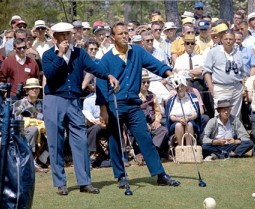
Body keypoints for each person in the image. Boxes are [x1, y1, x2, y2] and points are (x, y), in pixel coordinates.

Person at [96, 21, 180, 188]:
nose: (125, 36)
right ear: (113, 38)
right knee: (115, 140)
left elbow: (156, 65)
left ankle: (160, 174)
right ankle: (121, 176)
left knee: (145, 138)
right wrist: (103, 109)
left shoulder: (138, 52)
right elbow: (100, 85)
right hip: (114, 104)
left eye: (126, 33)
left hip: (134, 105)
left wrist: (171, 74)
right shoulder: (106, 59)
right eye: (120, 34)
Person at [42, 22, 119, 195]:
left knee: (81, 140)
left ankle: (85, 182)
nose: (65, 39)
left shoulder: (79, 53)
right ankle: (60, 183)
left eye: (67, 35)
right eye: (61, 36)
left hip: (74, 100)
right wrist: (60, 55)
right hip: (54, 99)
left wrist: (107, 75)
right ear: (55, 38)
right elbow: (51, 75)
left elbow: (94, 67)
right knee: (55, 142)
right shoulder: (48, 55)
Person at [203, 30, 245, 117]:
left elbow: (242, 71)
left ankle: (233, 131)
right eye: (226, 39)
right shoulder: (213, 52)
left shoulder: (238, 53)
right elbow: (207, 71)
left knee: (235, 115)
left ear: (234, 40)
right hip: (221, 87)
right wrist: (211, 88)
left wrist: (243, 86)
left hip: (236, 88)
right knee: (220, 115)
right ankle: (220, 131)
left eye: (231, 39)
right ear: (221, 40)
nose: (228, 41)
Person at [12, 78, 49, 173]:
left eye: (36, 88)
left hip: (41, 132)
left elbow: (47, 118)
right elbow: (17, 122)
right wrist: (35, 117)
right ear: (27, 90)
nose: (34, 90)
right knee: (33, 129)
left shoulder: (41, 103)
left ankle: (42, 159)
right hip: (23, 133)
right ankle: (31, 161)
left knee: (57, 132)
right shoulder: (19, 104)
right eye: (32, 88)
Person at [165, 74, 202, 146]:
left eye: (182, 86)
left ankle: (189, 148)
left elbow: (195, 113)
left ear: (185, 86)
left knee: (189, 125)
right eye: (178, 87)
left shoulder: (192, 97)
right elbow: (171, 116)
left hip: (190, 120)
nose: (180, 88)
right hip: (176, 122)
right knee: (178, 125)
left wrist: (188, 118)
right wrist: (179, 119)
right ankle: (181, 148)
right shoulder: (171, 100)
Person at [139, 70, 169, 158]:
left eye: (148, 82)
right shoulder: (135, 96)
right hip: (140, 124)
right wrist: (144, 124)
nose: (146, 84)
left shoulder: (152, 95)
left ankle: (152, 151)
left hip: (152, 123)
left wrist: (157, 120)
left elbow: (157, 111)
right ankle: (150, 153)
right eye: (143, 82)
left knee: (164, 130)